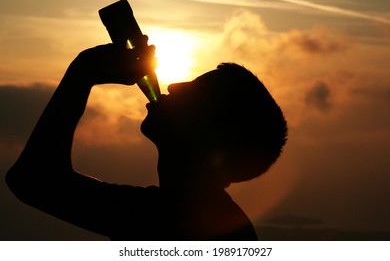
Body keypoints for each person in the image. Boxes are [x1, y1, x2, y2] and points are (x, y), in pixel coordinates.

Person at [6, 36, 287, 240]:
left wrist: (83, 72)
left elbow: (32, 181)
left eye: (196, 93)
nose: (174, 86)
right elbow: (34, 182)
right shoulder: (195, 213)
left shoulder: (177, 220)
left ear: (215, 134)